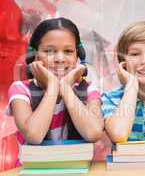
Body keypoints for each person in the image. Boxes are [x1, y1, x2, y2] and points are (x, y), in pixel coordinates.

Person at [6, 17, 104, 146]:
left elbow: (93, 133)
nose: (59, 58)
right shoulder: (20, 90)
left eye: (68, 51)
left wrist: (65, 89)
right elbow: (34, 135)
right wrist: (52, 87)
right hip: (34, 166)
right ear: (34, 55)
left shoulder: (89, 89)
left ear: (78, 55)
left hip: (76, 165)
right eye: (49, 51)